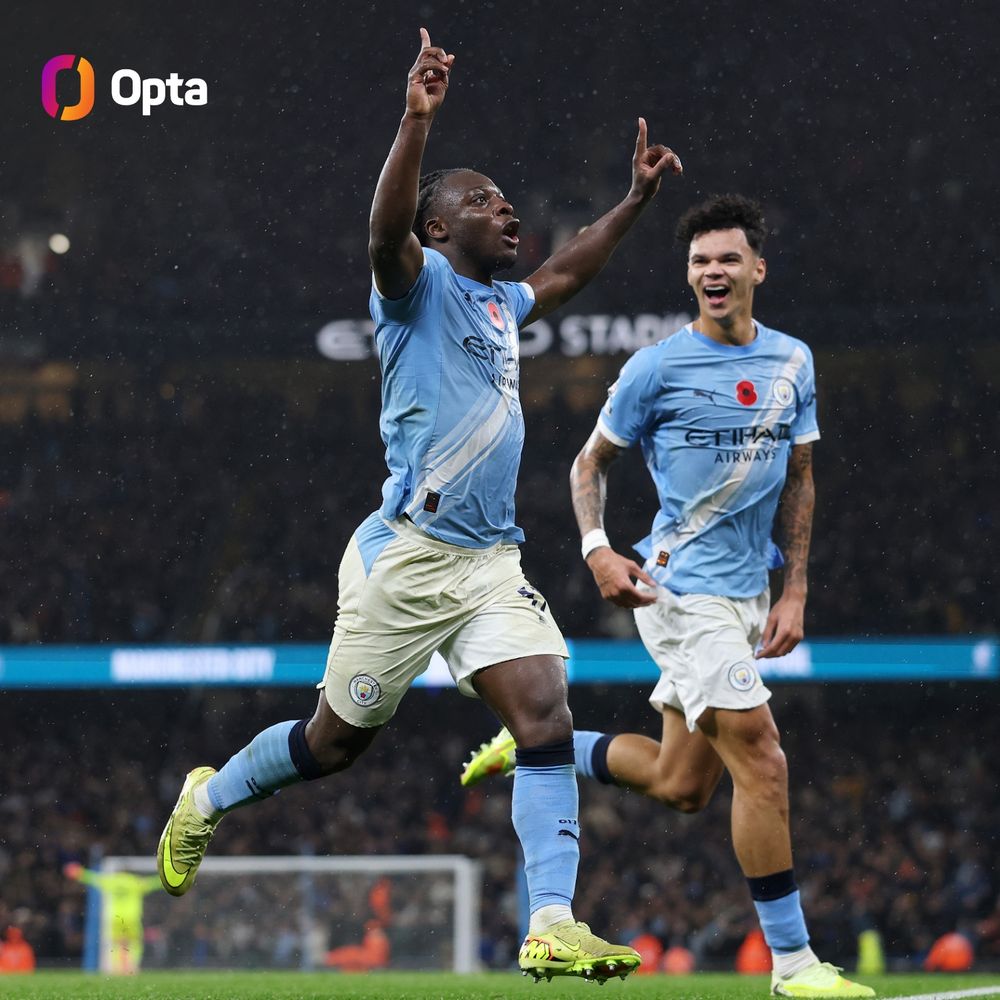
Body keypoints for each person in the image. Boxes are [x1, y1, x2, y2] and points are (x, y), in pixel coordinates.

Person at [156, 27, 682, 985]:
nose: (506, 208)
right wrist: (416, 119)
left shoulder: (497, 306)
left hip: (489, 563)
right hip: (405, 556)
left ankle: (552, 923)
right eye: (483, 201)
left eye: (506, 197)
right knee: (333, 744)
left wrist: (637, 200)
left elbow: (566, 273)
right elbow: (381, 231)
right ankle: (210, 796)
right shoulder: (414, 286)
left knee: (546, 716)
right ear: (440, 230)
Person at [460, 195, 875, 997]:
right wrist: (596, 550)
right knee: (762, 753)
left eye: (726, 259)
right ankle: (794, 967)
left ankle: (541, 751)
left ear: (758, 268)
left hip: (748, 594)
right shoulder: (656, 366)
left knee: (682, 786)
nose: (712, 272)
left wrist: (796, 592)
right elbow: (588, 465)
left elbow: (801, 477)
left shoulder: (795, 361)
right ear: (689, 276)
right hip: (679, 592)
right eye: (699, 262)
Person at [63, 862, 161, 974]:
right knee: (134, 942)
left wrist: (78, 872)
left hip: (116, 918)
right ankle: (132, 966)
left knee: (117, 943)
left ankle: (118, 967)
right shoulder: (135, 882)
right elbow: (155, 883)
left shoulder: (112, 881)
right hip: (131, 918)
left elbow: (93, 878)